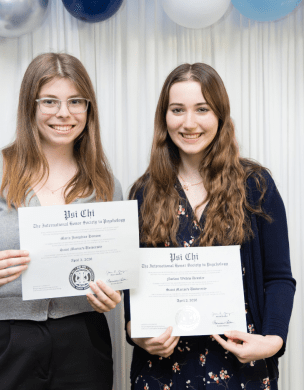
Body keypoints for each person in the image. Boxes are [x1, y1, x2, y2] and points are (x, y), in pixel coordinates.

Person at [0, 52, 123, 390]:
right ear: (30, 106)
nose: (63, 113)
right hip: (1, 341)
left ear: (88, 108)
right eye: (50, 101)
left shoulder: (105, 184)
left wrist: (112, 295)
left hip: (83, 339)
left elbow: (116, 270)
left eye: (75, 101)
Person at [124, 63, 295, 390]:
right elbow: (133, 283)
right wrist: (137, 333)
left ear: (220, 115)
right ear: (164, 118)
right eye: (177, 110)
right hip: (163, 372)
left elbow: (277, 276)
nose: (189, 123)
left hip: (240, 367)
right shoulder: (143, 193)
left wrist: (272, 340)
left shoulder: (255, 186)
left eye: (202, 109)